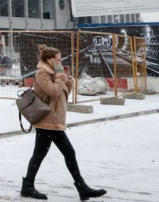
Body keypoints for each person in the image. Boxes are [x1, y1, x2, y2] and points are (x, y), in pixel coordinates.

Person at [20, 45, 106, 200]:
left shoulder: (54, 73)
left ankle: (82, 188)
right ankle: (28, 187)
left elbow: (62, 97)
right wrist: (60, 78)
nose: (60, 62)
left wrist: (68, 81)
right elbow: (52, 92)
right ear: (49, 59)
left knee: (63, 153)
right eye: (58, 59)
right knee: (42, 154)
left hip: (55, 122)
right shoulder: (42, 73)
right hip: (47, 122)